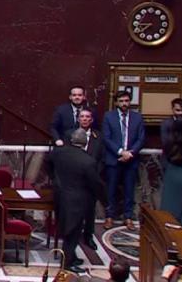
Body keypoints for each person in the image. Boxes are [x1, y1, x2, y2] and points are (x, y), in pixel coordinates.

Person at [48, 129, 106, 273]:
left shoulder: (58, 152)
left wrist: (54, 178)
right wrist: (105, 200)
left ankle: (71, 257)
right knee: (72, 232)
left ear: (71, 140)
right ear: (85, 142)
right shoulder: (88, 161)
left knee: (66, 227)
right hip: (77, 200)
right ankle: (67, 263)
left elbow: (47, 163)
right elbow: (95, 183)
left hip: (60, 196)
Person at [103, 90, 144, 230]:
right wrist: (121, 152)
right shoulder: (109, 116)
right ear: (116, 102)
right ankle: (109, 217)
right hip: (114, 159)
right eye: (121, 101)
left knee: (129, 190)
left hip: (131, 159)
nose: (124, 104)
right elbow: (107, 138)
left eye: (126, 101)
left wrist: (130, 153)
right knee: (111, 189)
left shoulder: (137, 117)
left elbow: (141, 138)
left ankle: (128, 217)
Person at [77, 108, 102, 248]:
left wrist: (95, 175)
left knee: (90, 210)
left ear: (91, 120)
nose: (85, 119)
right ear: (78, 119)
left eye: (88, 117)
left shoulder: (98, 137)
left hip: (91, 180)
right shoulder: (70, 134)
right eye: (82, 117)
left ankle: (88, 236)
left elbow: (101, 159)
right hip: (75, 180)